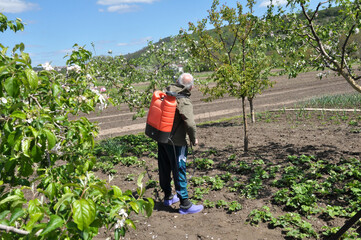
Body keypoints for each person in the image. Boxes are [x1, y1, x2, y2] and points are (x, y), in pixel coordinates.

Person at [157, 72, 203, 214]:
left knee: (164, 168)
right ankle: (185, 204)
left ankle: (168, 197)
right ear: (190, 87)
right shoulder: (183, 100)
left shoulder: (168, 94)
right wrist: (193, 138)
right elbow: (189, 123)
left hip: (162, 138)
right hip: (176, 142)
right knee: (179, 169)